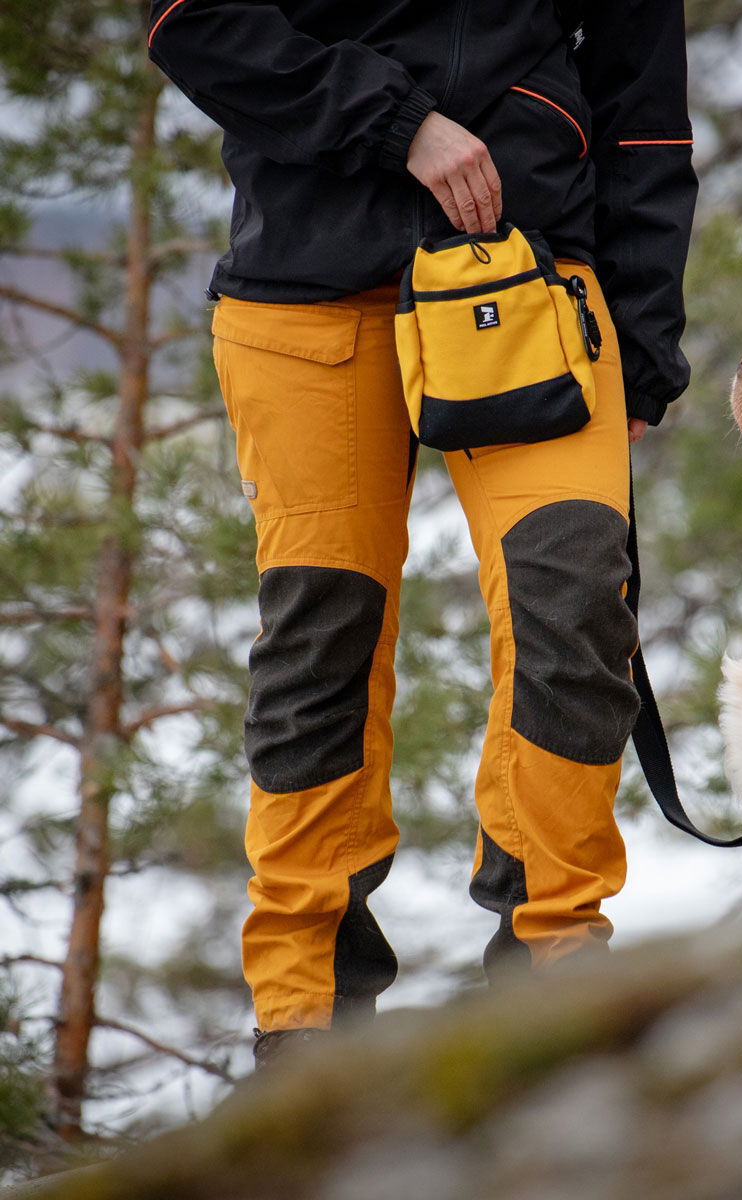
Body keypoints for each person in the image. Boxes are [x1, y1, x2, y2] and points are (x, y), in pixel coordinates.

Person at [147, 0, 697, 1062]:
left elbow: (646, 100)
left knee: (575, 597)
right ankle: (304, 1019)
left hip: (529, 279)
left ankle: (555, 972)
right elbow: (189, 19)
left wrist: (643, 332)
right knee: (322, 637)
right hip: (305, 295)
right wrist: (400, 125)